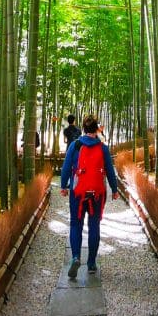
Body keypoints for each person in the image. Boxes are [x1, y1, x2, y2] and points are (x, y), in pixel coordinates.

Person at [60, 115, 119, 278]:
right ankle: (91, 263)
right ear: (96, 130)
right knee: (94, 226)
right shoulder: (103, 148)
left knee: (75, 225)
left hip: (78, 193)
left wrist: (63, 186)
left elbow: (65, 168)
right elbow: (109, 171)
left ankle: (76, 257)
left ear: (84, 130)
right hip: (97, 194)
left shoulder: (75, 145)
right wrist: (115, 189)